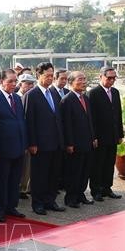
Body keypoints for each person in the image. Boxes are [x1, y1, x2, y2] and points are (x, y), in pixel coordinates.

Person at [26, 62, 65, 216]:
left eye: (51, 75)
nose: (50, 78)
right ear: (38, 75)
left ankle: (50, 200)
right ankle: (38, 203)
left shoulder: (54, 93)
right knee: (39, 175)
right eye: (47, 76)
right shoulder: (32, 95)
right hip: (40, 144)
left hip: (56, 142)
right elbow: (29, 121)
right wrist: (32, 143)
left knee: (53, 174)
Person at [0, 69, 27, 222]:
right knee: (1, 180)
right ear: (1, 81)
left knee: (14, 179)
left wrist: (24, 143)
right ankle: (0, 208)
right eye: (9, 81)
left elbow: (21, 121)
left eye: (14, 81)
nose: (13, 84)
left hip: (18, 147)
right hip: (2, 149)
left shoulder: (17, 98)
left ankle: (11, 206)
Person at [61, 72, 97, 208]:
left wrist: (93, 137)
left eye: (84, 79)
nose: (83, 82)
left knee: (84, 171)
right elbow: (67, 124)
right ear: (71, 82)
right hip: (75, 143)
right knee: (74, 172)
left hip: (87, 141)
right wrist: (69, 143)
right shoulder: (67, 100)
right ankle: (71, 198)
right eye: (80, 79)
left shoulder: (85, 98)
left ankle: (81, 194)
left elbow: (90, 120)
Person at [88, 66, 124, 201]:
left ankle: (107, 187)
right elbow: (91, 118)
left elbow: (118, 114)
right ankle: (96, 190)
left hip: (113, 135)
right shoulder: (93, 93)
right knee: (98, 164)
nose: (112, 80)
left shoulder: (115, 92)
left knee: (109, 163)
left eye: (114, 78)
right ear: (101, 77)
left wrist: (120, 134)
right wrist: (94, 136)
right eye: (109, 78)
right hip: (100, 136)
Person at [18, 73, 37, 199]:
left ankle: (24, 188)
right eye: (27, 84)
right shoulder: (17, 98)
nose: (30, 86)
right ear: (20, 84)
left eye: (32, 84)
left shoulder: (32, 97)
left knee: (27, 167)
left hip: (28, 138)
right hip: (17, 139)